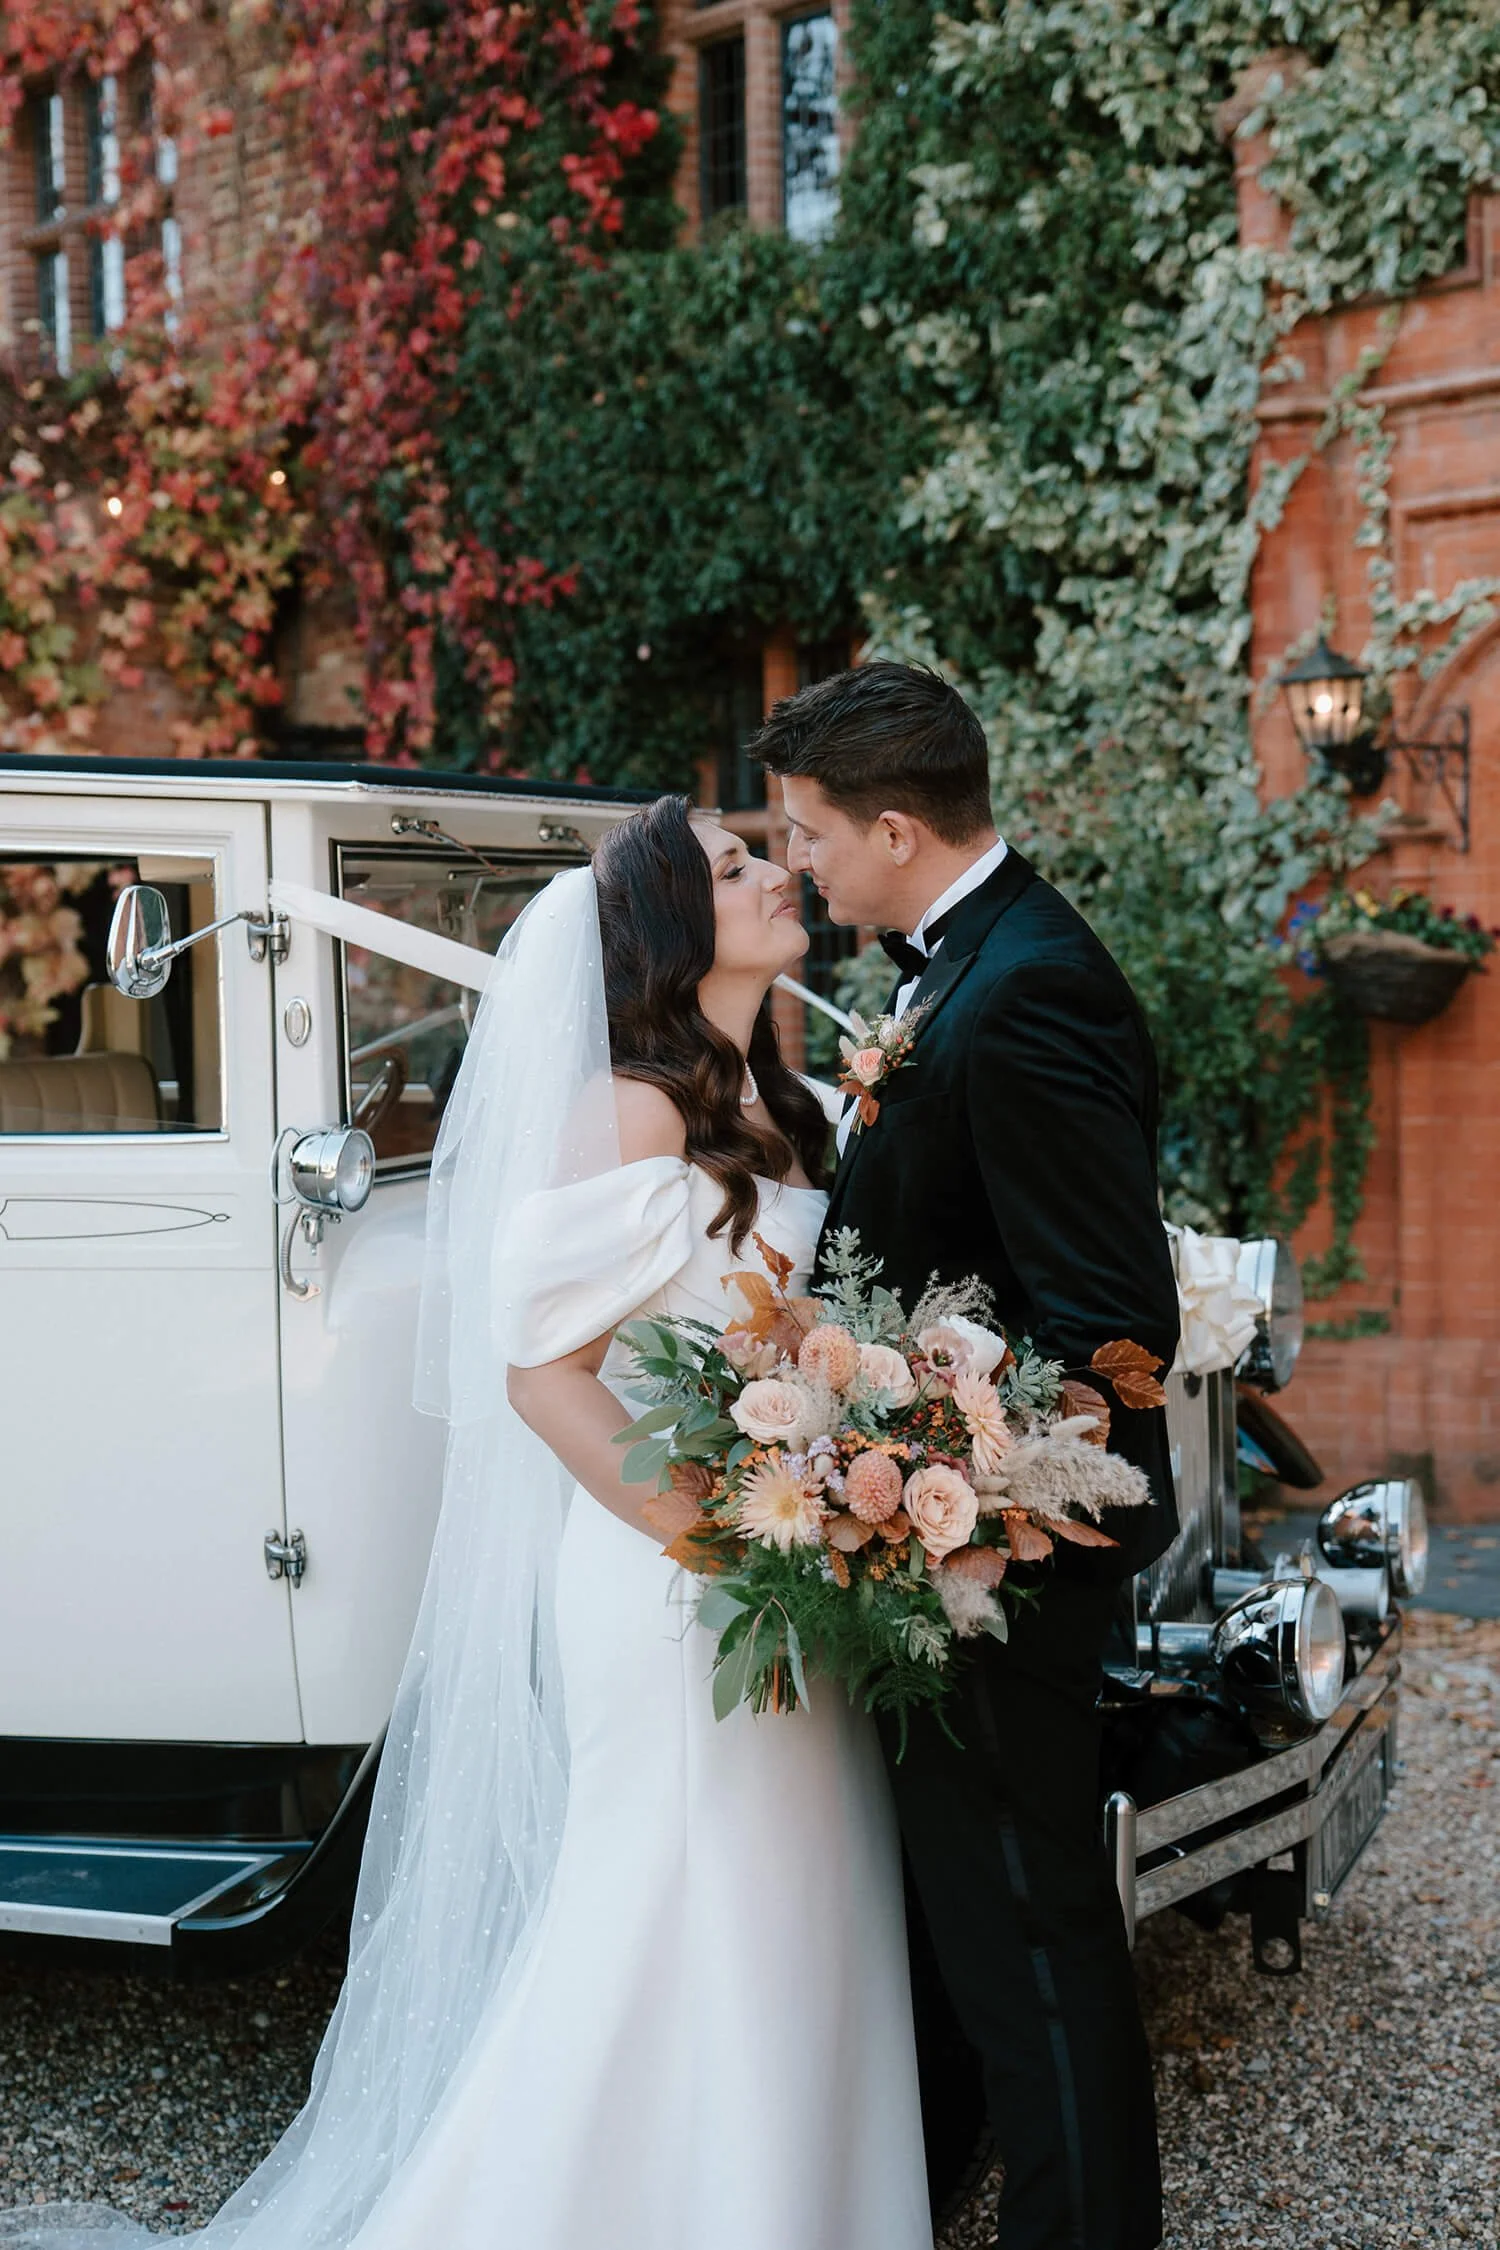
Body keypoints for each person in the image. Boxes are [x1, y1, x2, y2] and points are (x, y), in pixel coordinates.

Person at [0, 797, 931, 2250]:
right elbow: (538, 1369)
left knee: (804, 1896)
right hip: (674, 1569)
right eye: (738, 864)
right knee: (677, 1903)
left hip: (787, 1558)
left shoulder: (782, 1106)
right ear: (673, 927)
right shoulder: (630, 1107)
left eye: (763, 853)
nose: (776, 873)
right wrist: (717, 1540)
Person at [753, 661, 1181, 2250]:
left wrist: (982, 1522)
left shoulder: (1031, 987)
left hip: (1001, 1569)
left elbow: (1116, 1322)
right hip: (937, 1551)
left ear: (892, 825)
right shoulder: (963, 962)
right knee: (974, 1946)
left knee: (1036, 1938)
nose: (801, 863)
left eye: (808, 834)